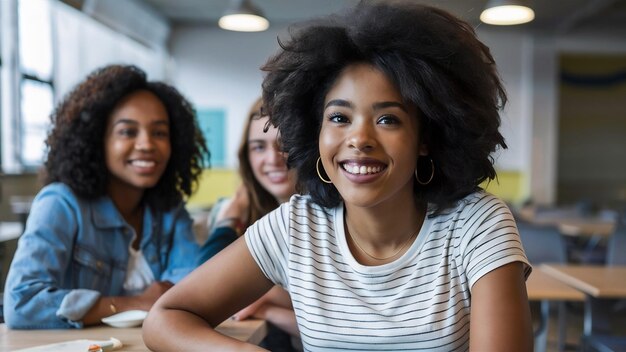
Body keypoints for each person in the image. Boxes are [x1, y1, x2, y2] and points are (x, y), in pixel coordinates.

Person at [143, 2, 533, 351]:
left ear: (425, 139)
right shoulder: (297, 226)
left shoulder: (477, 224)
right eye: (339, 118)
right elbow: (167, 317)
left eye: (387, 119)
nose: (359, 139)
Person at [3, 64, 208, 329]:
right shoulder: (61, 204)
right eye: (127, 131)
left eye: (159, 132)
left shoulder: (169, 209)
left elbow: (192, 291)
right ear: (96, 139)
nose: (147, 144)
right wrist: (132, 304)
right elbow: (22, 304)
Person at [197, 98, 301, 349]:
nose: (272, 159)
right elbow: (207, 289)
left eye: (284, 144)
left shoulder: (331, 215)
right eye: (258, 147)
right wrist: (229, 218)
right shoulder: (245, 216)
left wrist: (269, 305)